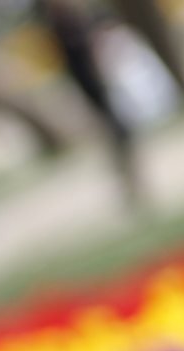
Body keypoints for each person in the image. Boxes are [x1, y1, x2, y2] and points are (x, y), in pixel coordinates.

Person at [35, 0, 145, 210]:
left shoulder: (82, 21)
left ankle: (132, 185)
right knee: (113, 136)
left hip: (105, 87)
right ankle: (128, 185)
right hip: (91, 93)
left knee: (121, 133)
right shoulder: (57, 26)